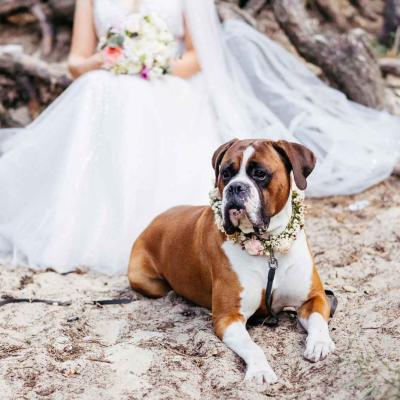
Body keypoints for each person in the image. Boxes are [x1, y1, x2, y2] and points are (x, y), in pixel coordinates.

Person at [0, 0, 398, 274]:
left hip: (168, 82)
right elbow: (74, 63)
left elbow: (196, 55)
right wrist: (109, 61)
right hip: (105, 81)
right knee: (98, 89)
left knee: (135, 98)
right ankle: (82, 224)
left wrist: (152, 64)